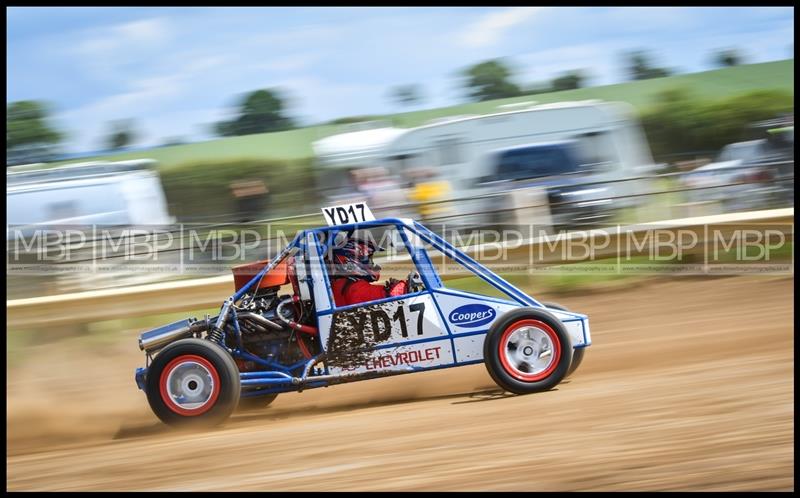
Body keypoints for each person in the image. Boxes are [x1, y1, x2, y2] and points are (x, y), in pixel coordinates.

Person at [328, 237, 407, 307]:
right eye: (368, 260)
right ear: (351, 260)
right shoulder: (355, 288)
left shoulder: (336, 284)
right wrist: (403, 286)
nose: (372, 264)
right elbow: (390, 296)